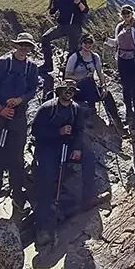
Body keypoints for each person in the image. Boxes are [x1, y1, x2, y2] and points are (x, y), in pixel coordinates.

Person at [30, 80, 97, 250]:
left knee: (89, 157)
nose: (69, 93)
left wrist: (77, 148)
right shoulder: (47, 108)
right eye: (66, 90)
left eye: (72, 90)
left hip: (67, 146)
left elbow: (79, 130)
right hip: (47, 148)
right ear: (59, 91)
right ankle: (43, 228)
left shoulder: (76, 109)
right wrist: (57, 132)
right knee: (46, 182)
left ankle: (88, 198)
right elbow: (36, 131)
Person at [0, 32, 40, 222]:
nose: (24, 49)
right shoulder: (2, 63)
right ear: (16, 46)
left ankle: (18, 202)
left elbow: (33, 89)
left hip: (18, 116)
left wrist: (20, 99)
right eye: (21, 45)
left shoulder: (31, 67)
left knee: (16, 159)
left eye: (27, 46)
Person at [42, 0, 89, 72]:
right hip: (61, 26)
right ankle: (48, 65)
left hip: (74, 27)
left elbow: (85, 10)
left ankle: (68, 70)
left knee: (73, 50)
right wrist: (51, 2)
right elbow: (52, 11)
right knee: (45, 38)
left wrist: (79, 3)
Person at [114, 5, 135, 132]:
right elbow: (116, 42)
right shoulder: (119, 27)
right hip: (123, 60)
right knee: (125, 86)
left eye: (128, 12)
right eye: (124, 13)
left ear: (132, 13)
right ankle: (129, 111)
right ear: (121, 14)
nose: (126, 15)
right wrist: (105, 40)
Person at [63, 35, 106, 124]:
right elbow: (67, 76)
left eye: (90, 42)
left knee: (107, 94)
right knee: (87, 81)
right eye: (85, 42)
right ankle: (91, 109)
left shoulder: (95, 57)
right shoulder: (74, 57)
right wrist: (82, 78)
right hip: (76, 89)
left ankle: (117, 121)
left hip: (90, 88)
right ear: (81, 44)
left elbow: (100, 72)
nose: (87, 45)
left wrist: (104, 86)